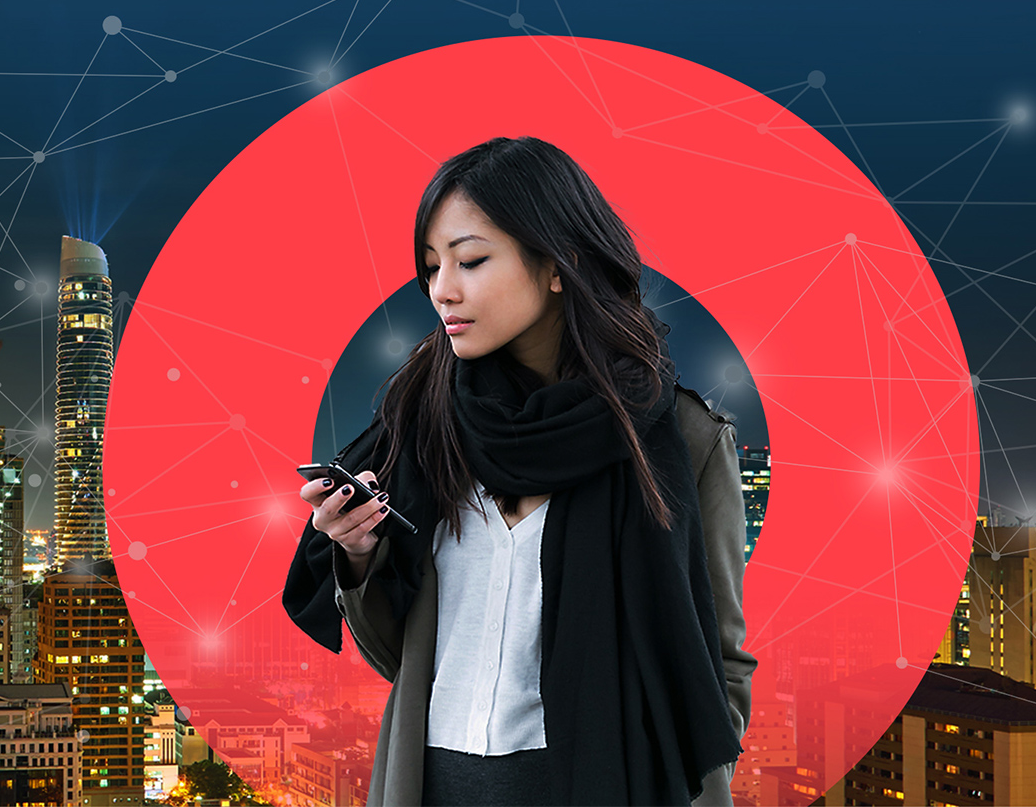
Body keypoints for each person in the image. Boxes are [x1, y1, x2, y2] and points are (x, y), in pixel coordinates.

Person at [283, 136, 756, 806]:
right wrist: (357, 552)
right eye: (430, 266)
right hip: (430, 787)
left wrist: (692, 785)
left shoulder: (680, 440)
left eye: (470, 260)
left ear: (558, 264)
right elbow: (402, 658)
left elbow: (721, 663)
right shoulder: (422, 427)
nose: (442, 290)